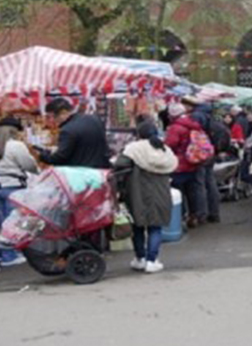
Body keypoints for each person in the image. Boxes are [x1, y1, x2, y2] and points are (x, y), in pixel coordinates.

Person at [115, 121, 178, 274]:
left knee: (137, 226)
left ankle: (140, 259)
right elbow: (173, 166)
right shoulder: (164, 149)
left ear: (139, 134)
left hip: (137, 192)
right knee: (155, 227)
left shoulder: (133, 149)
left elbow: (120, 164)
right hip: (160, 192)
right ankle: (152, 260)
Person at [0, 116, 38, 266]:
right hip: (13, 186)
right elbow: (29, 165)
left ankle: (1, 255)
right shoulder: (16, 145)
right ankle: (10, 255)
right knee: (13, 223)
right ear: (14, 131)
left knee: (0, 223)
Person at [164, 102, 207, 228]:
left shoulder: (175, 127)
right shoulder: (194, 124)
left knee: (178, 191)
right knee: (194, 191)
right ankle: (196, 215)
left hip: (179, 163)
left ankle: (181, 216)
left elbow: (170, 144)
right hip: (194, 161)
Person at [37, 98, 110, 168]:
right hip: (101, 170)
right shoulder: (94, 119)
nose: (52, 120)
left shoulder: (67, 130)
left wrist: (42, 155)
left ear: (63, 113)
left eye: (52, 117)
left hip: (80, 173)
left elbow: (59, 158)